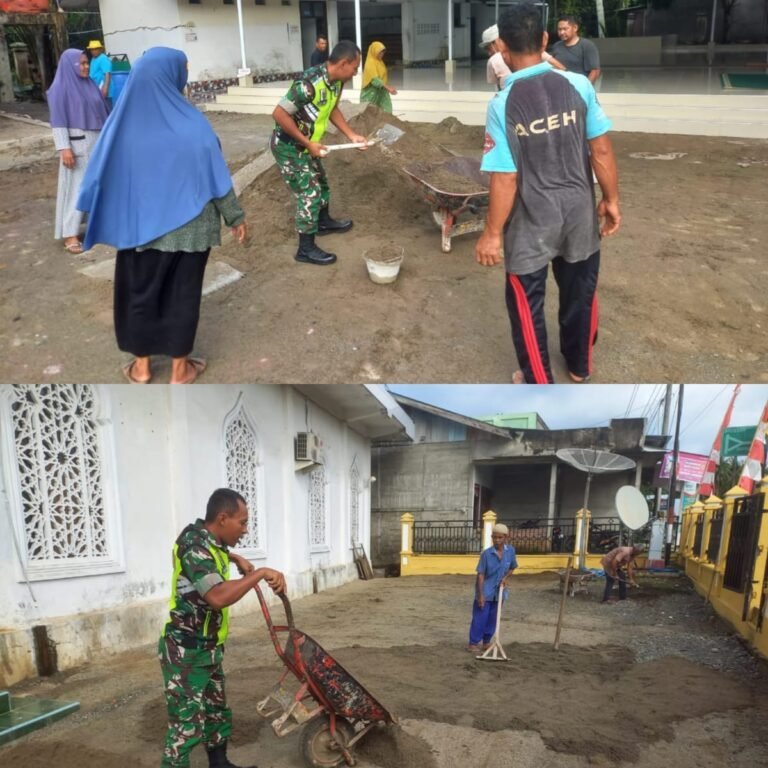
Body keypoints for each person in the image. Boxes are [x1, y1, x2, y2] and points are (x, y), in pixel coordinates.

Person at [77, 47, 248, 385]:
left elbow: (100, 174)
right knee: (182, 295)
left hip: (140, 229)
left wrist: (90, 210)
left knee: (140, 293)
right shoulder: (193, 124)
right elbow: (216, 178)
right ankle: (179, 370)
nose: (184, 75)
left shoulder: (120, 125)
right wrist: (235, 217)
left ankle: (141, 368)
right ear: (171, 75)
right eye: (183, 69)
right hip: (191, 231)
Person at [474, 4, 621, 385]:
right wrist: (611, 200)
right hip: (578, 214)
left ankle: (539, 381)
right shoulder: (579, 86)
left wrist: (491, 233)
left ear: (502, 47)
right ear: (544, 39)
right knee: (580, 295)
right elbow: (601, 150)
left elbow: (505, 177)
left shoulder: (502, 104)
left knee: (527, 305)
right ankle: (579, 367)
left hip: (530, 222)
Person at [159, 488, 287, 768]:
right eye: (242, 522)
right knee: (185, 728)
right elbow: (217, 597)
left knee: (216, 712)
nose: (245, 529)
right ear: (222, 518)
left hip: (208, 648)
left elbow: (211, 555)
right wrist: (260, 574)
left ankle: (220, 765)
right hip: (185, 652)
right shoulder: (194, 547)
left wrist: (234, 557)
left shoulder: (206, 541)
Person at [271, 40, 367, 266]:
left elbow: (332, 108)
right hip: (289, 147)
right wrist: (307, 143)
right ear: (344, 63)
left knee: (322, 183)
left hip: (308, 145)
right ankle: (305, 249)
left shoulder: (336, 83)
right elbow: (279, 114)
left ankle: (322, 223)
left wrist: (352, 135)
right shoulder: (309, 83)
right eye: (355, 67)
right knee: (310, 191)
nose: (355, 72)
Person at [47, 48, 109, 255]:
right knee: (77, 189)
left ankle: (97, 226)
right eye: (81, 64)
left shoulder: (89, 84)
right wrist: (64, 148)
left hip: (97, 142)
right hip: (77, 145)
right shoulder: (60, 89)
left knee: (99, 186)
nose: (86, 67)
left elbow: (102, 111)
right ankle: (70, 233)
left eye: (86, 63)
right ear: (70, 65)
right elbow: (57, 122)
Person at [468, 523, 518, 652]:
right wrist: (480, 595)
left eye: (500, 537)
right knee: (480, 618)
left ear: (506, 537)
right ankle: (473, 643)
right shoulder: (486, 554)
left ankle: (486, 642)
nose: (497, 540)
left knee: (493, 618)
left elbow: (512, 567)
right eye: (494, 537)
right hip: (485, 591)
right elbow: (480, 575)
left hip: (500, 592)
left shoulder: (510, 551)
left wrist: (505, 578)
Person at [481, 23, 563, 91]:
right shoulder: (530, 50)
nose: (489, 52)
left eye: (488, 47)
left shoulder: (493, 60)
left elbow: (499, 87)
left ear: (497, 41)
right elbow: (560, 67)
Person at [551, 15, 601, 84]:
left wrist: (585, 88)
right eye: (559, 29)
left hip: (579, 88)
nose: (562, 32)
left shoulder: (587, 45)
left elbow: (595, 71)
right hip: (560, 88)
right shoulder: (556, 46)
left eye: (565, 29)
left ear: (575, 28)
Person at [360, 41, 397, 113]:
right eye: (380, 52)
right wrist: (388, 88)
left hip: (381, 91)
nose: (382, 54)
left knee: (387, 110)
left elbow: (383, 76)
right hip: (371, 92)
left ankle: (387, 123)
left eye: (383, 52)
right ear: (374, 51)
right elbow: (374, 80)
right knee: (370, 113)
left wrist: (387, 87)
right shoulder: (370, 63)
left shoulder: (380, 62)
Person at [86, 39, 113, 104]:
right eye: (92, 49)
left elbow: (107, 73)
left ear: (100, 49)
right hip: (96, 90)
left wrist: (105, 88)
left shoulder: (103, 58)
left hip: (103, 91)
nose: (93, 51)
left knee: (107, 110)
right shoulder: (93, 59)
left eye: (95, 49)